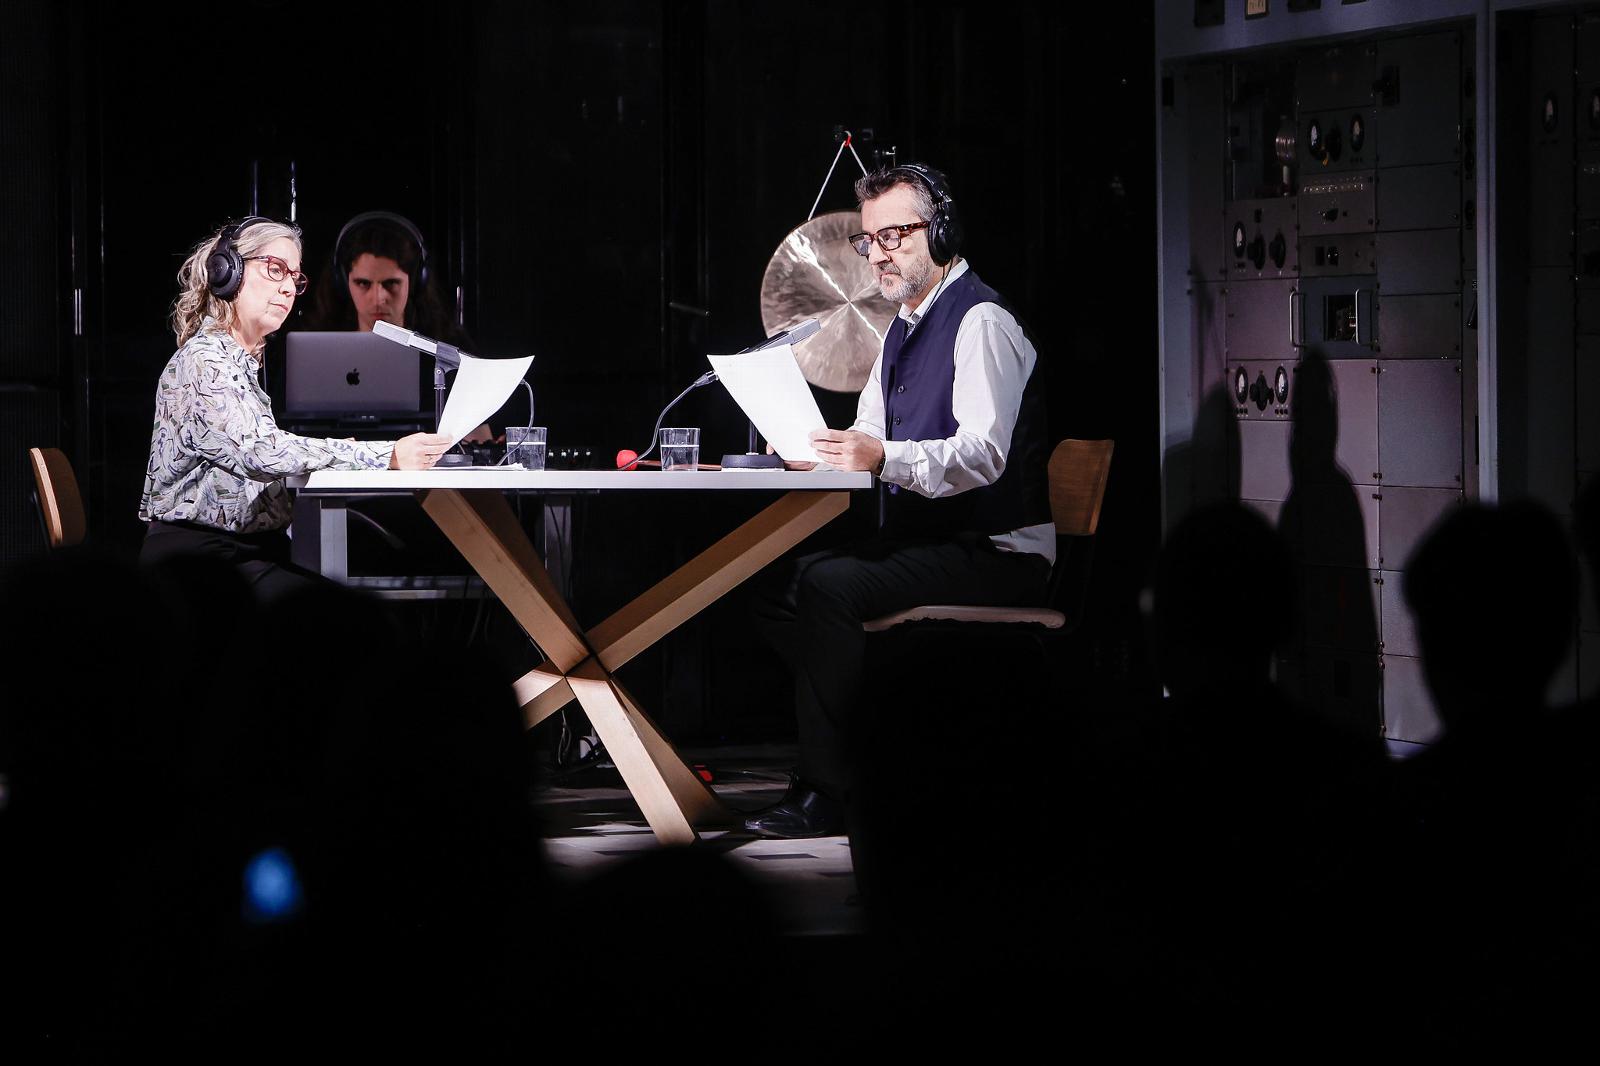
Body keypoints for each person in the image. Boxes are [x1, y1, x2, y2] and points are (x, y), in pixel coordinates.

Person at [745, 164, 1054, 838]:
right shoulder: (900, 329)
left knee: (828, 587)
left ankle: (832, 789)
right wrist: (816, 449)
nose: (878, 253)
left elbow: (983, 454)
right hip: (933, 542)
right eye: (869, 240)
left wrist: (882, 458)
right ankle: (876, 744)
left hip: (998, 551)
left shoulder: (981, 321)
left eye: (895, 235)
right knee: (775, 591)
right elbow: (868, 431)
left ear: (940, 232)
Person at [139, 217, 450, 599]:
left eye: (294, 277)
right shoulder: (205, 361)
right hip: (198, 563)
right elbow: (260, 452)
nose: (288, 287)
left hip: (247, 552)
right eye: (275, 269)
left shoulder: (239, 363)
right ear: (229, 273)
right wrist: (387, 455)